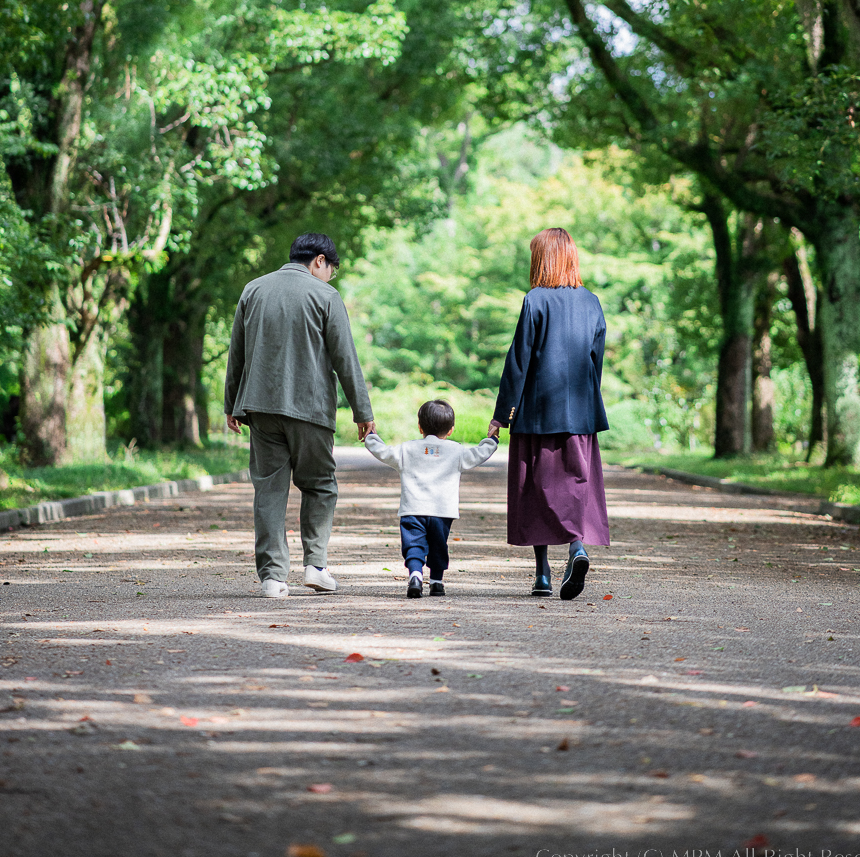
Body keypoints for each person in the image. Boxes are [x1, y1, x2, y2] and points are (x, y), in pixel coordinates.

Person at [224, 231, 375, 599]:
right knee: (320, 484)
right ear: (319, 261)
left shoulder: (253, 290)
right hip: (310, 409)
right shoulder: (325, 296)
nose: (329, 277)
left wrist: (231, 404)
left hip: (260, 407)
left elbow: (237, 353)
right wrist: (362, 411)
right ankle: (315, 566)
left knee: (270, 491)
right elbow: (345, 359)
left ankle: (273, 578)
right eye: (330, 270)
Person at [489, 227, 609, 601]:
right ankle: (577, 548)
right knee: (576, 483)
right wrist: (588, 402)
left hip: (536, 413)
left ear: (542, 259)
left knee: (535, 488)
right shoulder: (592, 302)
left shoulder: (535, 300)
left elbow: (519, 361)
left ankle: (542, 574)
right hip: (580, 414)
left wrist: (502, 415)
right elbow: (596, 359)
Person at [364, 399, 498, 597]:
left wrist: (371, 436)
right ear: (451, 430)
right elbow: (479, 454)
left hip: (413, 509)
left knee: (413, 545)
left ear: (420, 427)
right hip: (442, 512)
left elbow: (383, 452)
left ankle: (416, 575)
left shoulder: (406, 449)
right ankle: (436, 581)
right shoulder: (456, 450)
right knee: (438, 546)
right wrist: (492, 440)